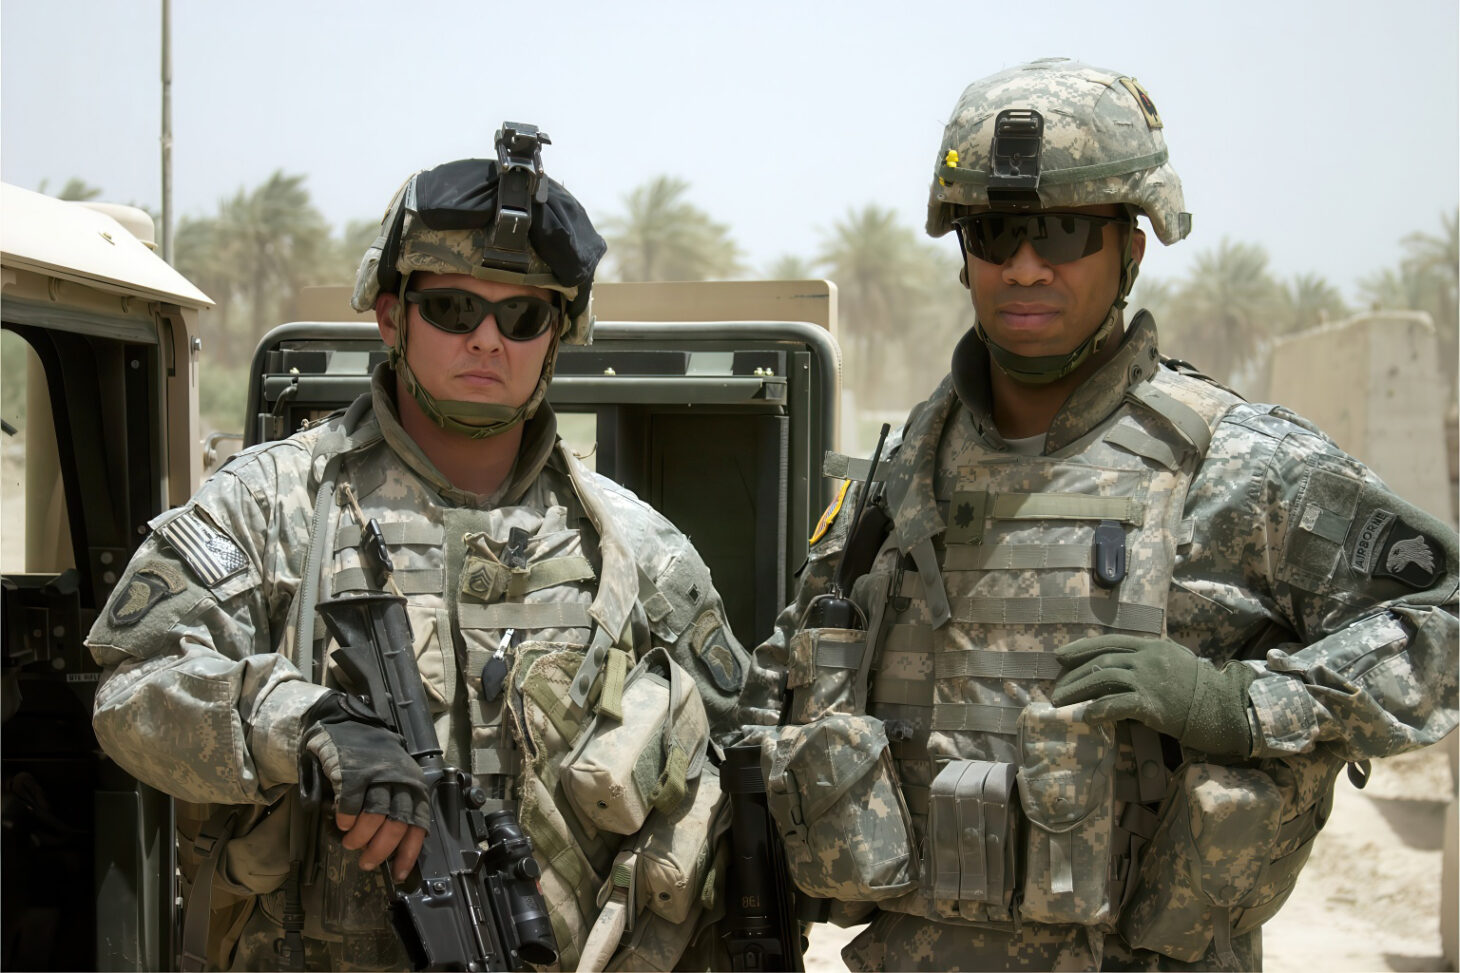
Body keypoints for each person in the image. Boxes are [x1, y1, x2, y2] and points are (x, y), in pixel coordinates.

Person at [738, 58, 1458, 971]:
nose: (1026, 266)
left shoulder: (1240, 465)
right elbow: (783, 689)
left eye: (1066, 230)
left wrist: (1241, 705)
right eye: (996, 231)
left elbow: (1441, 618)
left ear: (1133, 245)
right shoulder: (900, 473)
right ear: (965, 252)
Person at [87, 123, 749, 971]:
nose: (486, 339)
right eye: (451, 308)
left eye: (521, 316)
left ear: (556, 337)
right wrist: (300, 721)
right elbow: (130, 694)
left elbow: (735, 769)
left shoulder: (632, 547)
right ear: (391, 315)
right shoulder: (274, 503)